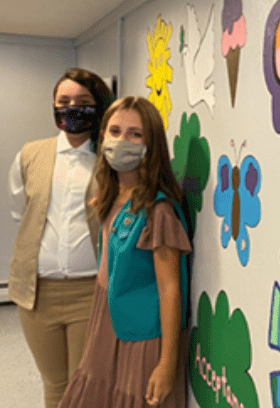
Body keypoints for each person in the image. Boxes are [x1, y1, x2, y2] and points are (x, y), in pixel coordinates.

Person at [60, 96, 191, 407]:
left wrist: (166, 363)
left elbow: (170, 289)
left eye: (136, 134)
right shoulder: (108, 196)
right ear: (103, 135)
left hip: (144, 331)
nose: (122, 141)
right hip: (106, 314)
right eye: (115, 131)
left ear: (151, 144)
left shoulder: (157, 211)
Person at [8, 68, 114, 408]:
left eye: (83, 102)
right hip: (37, 293)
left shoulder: (110, 160)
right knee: (54, 383)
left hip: (90, 292)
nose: (72, 108)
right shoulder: (29, 155)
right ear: (53, 106)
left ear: (99, 107)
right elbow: (21, 212)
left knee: (86, 381)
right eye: (63, 101)